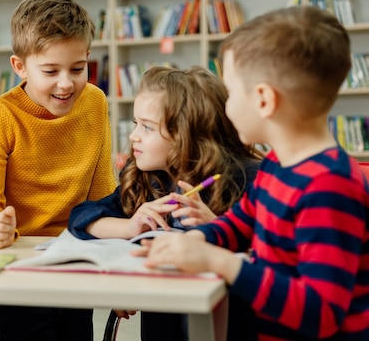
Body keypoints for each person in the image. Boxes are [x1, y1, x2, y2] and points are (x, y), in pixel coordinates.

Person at [138, 6, 369, 340]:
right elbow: (241, 222)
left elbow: (320, 312)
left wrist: (222, 263)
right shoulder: (277, 164)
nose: (226, 107)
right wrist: (196, 239)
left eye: (231, 93)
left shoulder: (329, 185)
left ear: (263, 100)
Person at [69, 65, 262, 341]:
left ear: (189, 134)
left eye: (147, 127)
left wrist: (217, 229)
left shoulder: (248, 179)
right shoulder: (148, 180)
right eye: (136, 124)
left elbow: (270, 261)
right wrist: (129, 226)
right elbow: (81, 218)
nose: (134, 135)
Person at [0, 0, 116, 341]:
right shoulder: (1, 116)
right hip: (20, 266)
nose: (67, 83)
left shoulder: (95, 102)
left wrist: (115, 265)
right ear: (19, 66)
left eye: (78, 69)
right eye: (50, 70)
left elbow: (102, 195)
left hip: (76, 256)